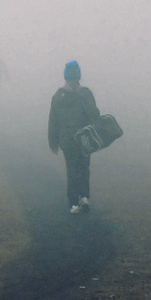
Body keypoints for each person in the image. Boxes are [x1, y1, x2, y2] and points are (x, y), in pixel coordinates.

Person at [47, 59, 99, 213]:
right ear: (79, 76)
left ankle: (73, 203)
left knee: (72, 169)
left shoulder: (58, 96)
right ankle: (84, 197)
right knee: (84, 167)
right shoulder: (86, 94)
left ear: (65, 77)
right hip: (84, 138)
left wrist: (53, 142)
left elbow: (53, 120)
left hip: (67, 140)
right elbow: (94, 115)